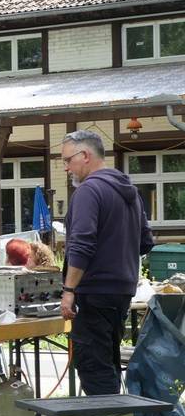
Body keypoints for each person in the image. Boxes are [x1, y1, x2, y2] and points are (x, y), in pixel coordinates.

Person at [61, 129, 154, 395]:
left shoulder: (89, 191)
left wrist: (68, 291)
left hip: (94, 291)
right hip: (122, 289)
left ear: (85, 155)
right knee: (108, 362)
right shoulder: (130, 191)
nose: (67, 167)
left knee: (93, 365)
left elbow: (82, 244)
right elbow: (145, 242)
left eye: (68, 160)